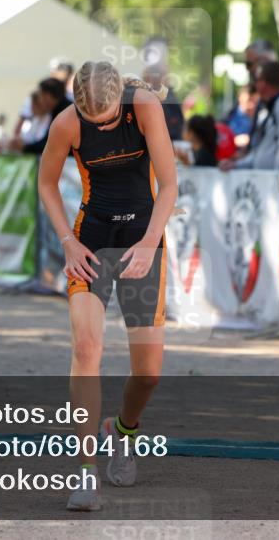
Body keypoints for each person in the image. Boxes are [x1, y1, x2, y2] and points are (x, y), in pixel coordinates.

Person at [37, 61, 177, 511]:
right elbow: (46, 182)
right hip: (92, 240)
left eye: (109, 118)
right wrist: (67, 242)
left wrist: (149, 243)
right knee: (86, 349)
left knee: (149, 372)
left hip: (143, 239)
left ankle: (123, 431)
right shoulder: (66, 123)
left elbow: (170, 184)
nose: (102, 124)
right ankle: (84, 473)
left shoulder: (145, 107)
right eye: (92, 120)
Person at [219, 62, 279, 171]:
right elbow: (262, 152)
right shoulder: (274, 107)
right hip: (269, 181)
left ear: (262, 84)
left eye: (257, 81)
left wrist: (277, 182)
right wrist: (236, 165)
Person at [6, 78, 69, 154]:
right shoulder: (58, 111)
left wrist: (26, 148)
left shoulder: (65, 113)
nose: (41, 100)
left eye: (42, 96)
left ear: (48, 95)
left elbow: (53, 144)